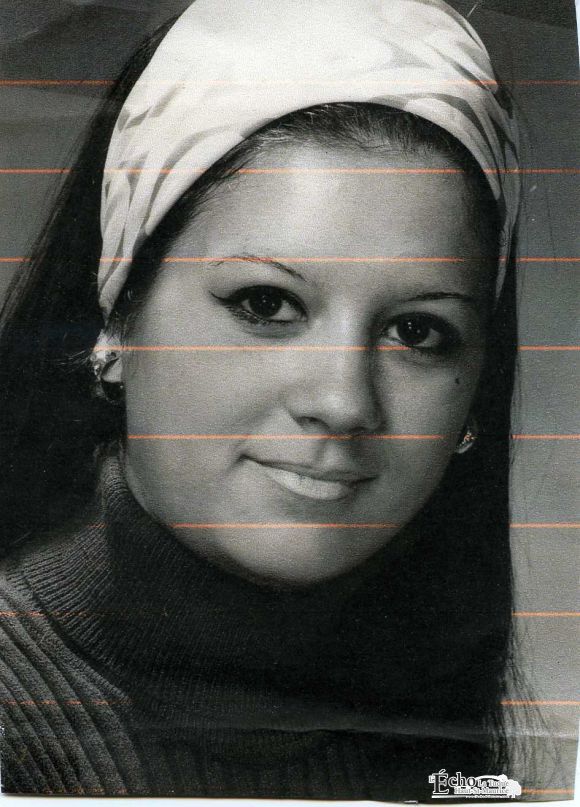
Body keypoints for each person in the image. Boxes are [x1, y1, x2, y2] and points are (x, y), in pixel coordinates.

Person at [0, 0, 523, 798]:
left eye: (417, 331)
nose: (342, 401)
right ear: (118, 321)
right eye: (265, 303)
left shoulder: (434, 735)